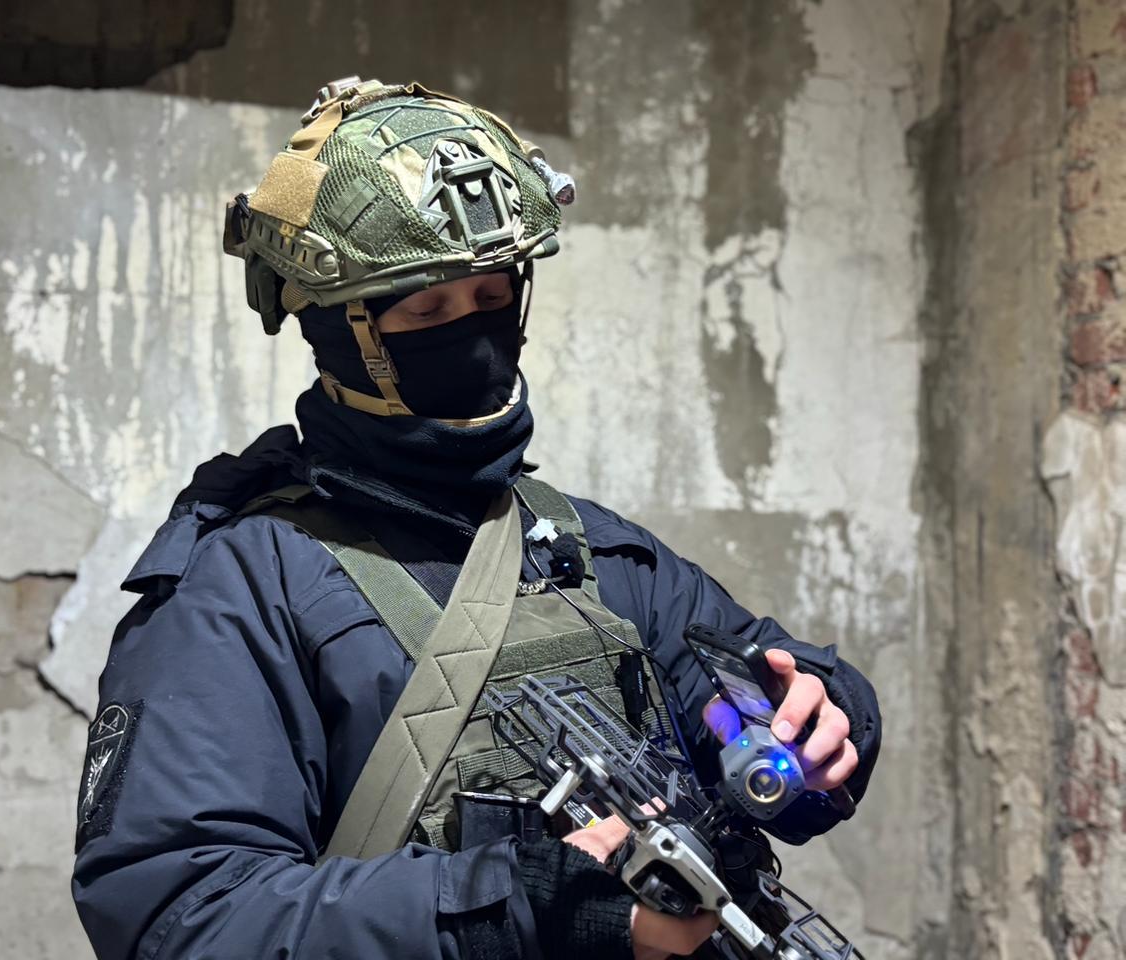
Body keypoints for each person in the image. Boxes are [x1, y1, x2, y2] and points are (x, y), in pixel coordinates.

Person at [71, 78, 881, 960]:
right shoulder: (242, 587)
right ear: (343, 334)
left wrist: (816, 716)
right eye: (427, 310)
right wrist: (521, 908)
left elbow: (752, 680)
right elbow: (184, 917)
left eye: (493, 299)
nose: (472, 335)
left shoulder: (587, 549)